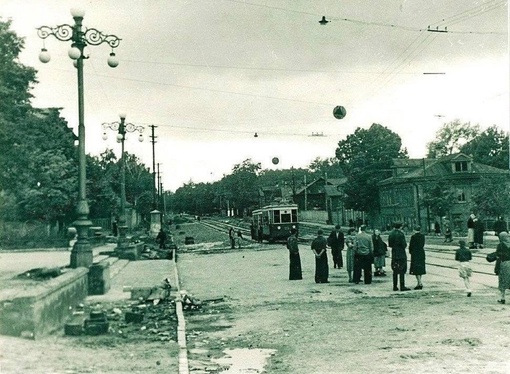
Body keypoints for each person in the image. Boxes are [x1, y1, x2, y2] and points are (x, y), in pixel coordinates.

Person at [388, 222, 411, 291]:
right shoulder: (401, 234)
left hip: (394, 253)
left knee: (395, 270)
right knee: (402, 270)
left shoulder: (391, 234)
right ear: (400, 227)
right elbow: (404, 245)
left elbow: (390, 244)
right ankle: (402, 286)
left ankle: (394, 286)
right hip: (401, 254)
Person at [495, 232, 510, 304]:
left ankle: (502, 298)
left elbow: (498, 257)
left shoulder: (500, 245)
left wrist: (496, 268)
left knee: (503, 281)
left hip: (504, 264)